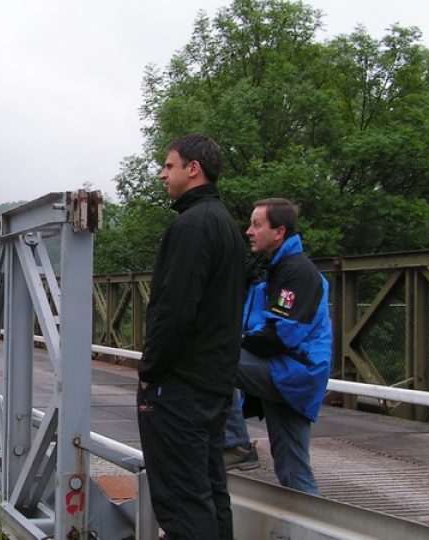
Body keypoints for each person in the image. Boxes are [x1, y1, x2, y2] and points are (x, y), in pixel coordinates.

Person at [137, 133, 245, 539]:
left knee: (182, 502)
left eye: (169, 165)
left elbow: (174, 309)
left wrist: (150, 371)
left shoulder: (191, 225)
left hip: (181, 386)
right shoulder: (225, 225)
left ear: (192, 169)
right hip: (214, 383)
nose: (163, 174)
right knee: (211, 492)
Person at [223, 198, 333, 496]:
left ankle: (234, 443)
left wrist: (232, 342)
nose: (249, 231)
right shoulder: (271, 268)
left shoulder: (297, 272)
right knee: (293, 470)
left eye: (257, 225)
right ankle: (313, 530)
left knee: (213, 358)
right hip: (288, 372)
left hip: (294, 371)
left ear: (279, 232)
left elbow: (281, 335)